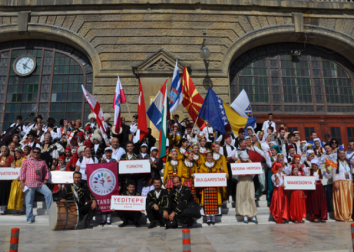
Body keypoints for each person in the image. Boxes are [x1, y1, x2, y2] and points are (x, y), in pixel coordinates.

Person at [19, 147, 53, 223]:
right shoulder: (26, 161)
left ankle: (50, 213)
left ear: (40, 153)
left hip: (39, 183)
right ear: (32, 152)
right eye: (34, 152)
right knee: (29, 202)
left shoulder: (42, 162)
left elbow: (46, 171)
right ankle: (29, 218)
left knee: (49, 193)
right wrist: (22, 182)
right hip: (29, 184)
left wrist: (46, 179)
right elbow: (22, 172)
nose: (36, 153)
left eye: (38, 152)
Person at [329, 146, 353, 222]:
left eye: (343, 153)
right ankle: (342, 215)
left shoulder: (348, 162)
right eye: (341, 154)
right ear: (338, 154)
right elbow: (333, 173)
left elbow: (350, 172)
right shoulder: (334, 162)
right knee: (341, 199)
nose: (342, 155)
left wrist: (352, 181)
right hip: (339, 182)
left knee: (349, 199)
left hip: (348, 182)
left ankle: (349, 214)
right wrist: (335, 182)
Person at [200, 151, 223, 225]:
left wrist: (223, 175)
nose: (209, 157)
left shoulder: (216, 165)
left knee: (213, 202)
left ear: (212, 157)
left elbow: (219, 174)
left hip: (214, 186)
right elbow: (200, 175)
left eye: (210, 156)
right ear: (206, 157)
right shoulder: (202, 166)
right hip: (206, 186)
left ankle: (213, 218)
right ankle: (208, 219)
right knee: (207, 202)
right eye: (208, 156)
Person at [234, 152, 257, 224]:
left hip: (249, 180)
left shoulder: (250, 162)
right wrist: (241, 174)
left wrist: (249, 174)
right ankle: (245, 215)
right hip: (241, 181)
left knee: (251, 197)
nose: (245, 161)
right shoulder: (236, 163)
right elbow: (235, 175)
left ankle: (253, 215)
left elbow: (254, 173)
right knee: (243, 197)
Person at [307, 159, 329, 223]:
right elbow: (305, 176)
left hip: (320, 188)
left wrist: (327, 169)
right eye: (313, 166)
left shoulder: (321, 171)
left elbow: (328, 175)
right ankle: (314, 217)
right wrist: (308, 169)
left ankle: (322, 216)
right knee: (314, 202)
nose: (314, 167)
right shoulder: (309, 172)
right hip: (312, 188)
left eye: (315, 166)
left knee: (321, 202)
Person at [8, 148, 26, 214]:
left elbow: (24, 169)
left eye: (17, 154)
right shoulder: (15, 160)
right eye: (15, 154)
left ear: (21, 153)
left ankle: (21, 209)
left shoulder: (24, 160)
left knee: (20, 194)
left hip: (21, 179)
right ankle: (17, 208)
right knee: (15, 193)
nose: (16, 155)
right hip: (15, 180)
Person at [0, 146, 15, 214]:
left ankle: (3, 208)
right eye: (2, 151)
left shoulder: (11, 157)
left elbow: (12, 167)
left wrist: (10, 176)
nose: (3, 152)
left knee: (4, 193)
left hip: (7, 178)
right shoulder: (0, 157)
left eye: (5, 151)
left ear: (7, 151)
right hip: (0, 177)